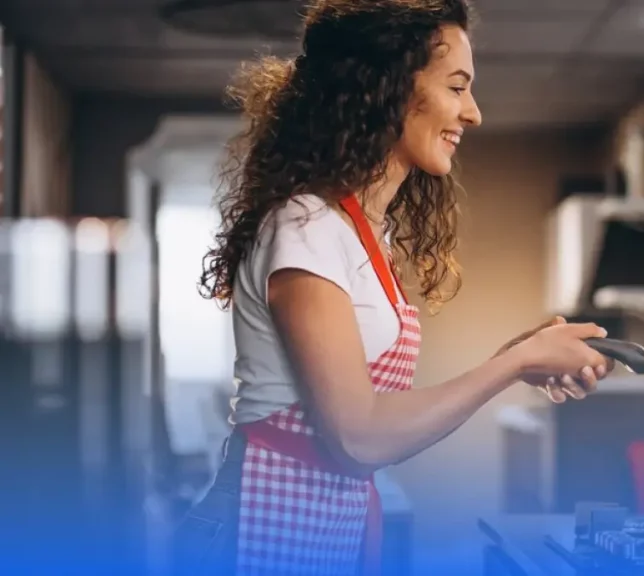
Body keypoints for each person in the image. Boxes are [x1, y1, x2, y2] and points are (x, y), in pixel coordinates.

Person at [172, 1, 614, 574]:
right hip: (252, 529)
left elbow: (368, 414)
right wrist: (513, 365)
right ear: (387, 88)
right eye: (457, 87)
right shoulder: (306, 227)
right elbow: (359, 438)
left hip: (320, 526)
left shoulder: (358, 232)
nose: (473, 113)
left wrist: (520, 359)